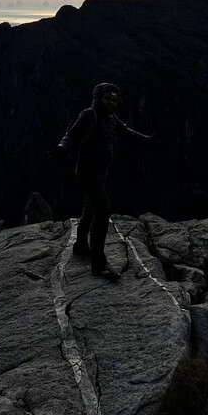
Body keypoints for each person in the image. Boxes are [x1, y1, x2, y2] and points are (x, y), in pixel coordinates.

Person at [56, 82, 151, 281]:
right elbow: (71, 135)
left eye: (114, 99)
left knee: (90, 209)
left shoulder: (111, 119)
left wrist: (148, 140)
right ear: (98, 98)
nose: (111, 102)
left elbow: (127, 132)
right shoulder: (89, 114)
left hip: (100, 172)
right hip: (88, 172)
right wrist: (62, 148)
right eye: (107, 98)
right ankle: (99, 264)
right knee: (102, 210)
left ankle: (81, 244)